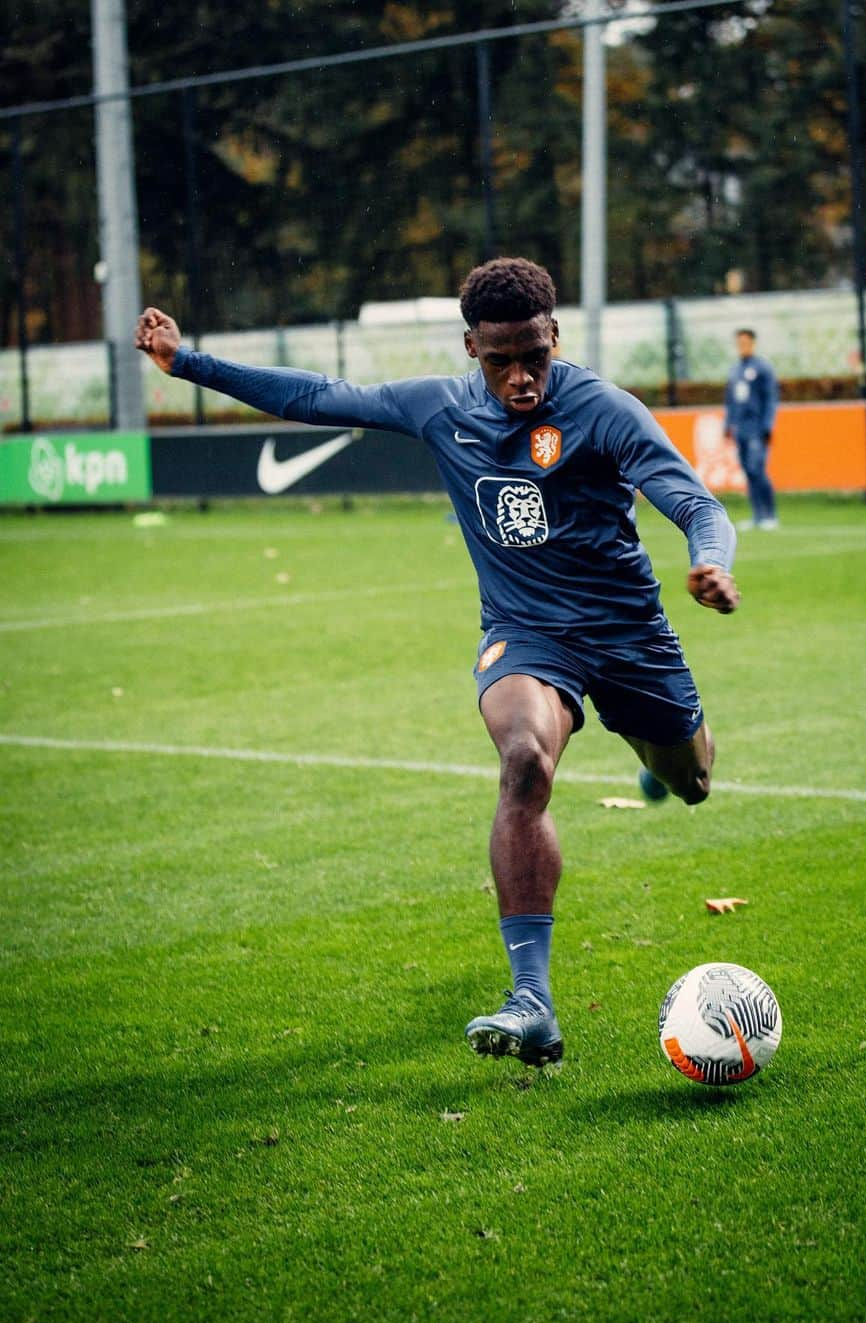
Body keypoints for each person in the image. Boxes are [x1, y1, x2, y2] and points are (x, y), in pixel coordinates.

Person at [135, 257, 740, 1069]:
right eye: (502, 360)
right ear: (470, 347)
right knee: (524, 759)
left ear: (555, 335)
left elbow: (695, 501)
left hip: (628, 633)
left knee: (691, 779)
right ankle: (533, 1002)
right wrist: (189, 363)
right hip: (527, 632)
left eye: (536, 355)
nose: (522, 376)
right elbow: (315, 396)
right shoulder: (438, 408)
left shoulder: (602, 410)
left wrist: (709, 561)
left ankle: (654, 762)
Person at [724, 328, 779, 530]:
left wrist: (767, 425)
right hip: (740, 428)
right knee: (748, 471)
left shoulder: (763, 368)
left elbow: (771, 399)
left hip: (756, 427)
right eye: (739, 343)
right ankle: (757, 515)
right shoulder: (735, 369)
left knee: (758, 469)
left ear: (753, 344)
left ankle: (770, 514)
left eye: (745, 343)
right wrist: (727, 424)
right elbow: (730, 400)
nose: (742, 347)